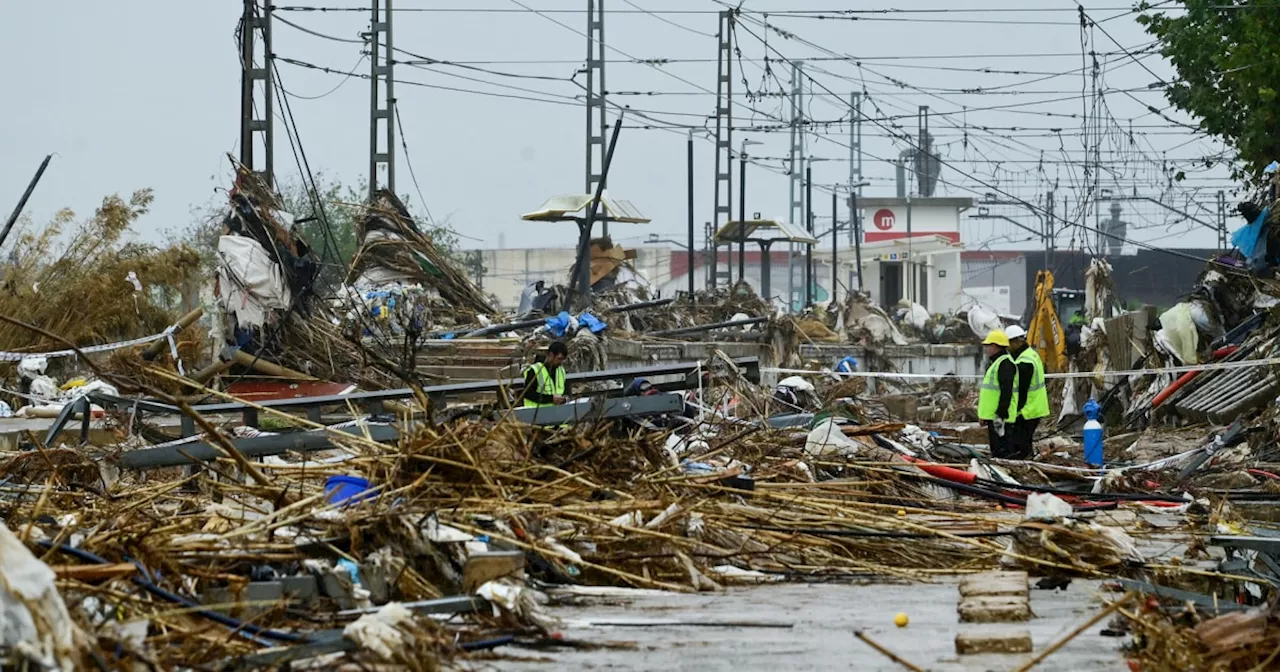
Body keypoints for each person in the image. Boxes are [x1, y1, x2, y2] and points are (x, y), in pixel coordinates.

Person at [1005, 325, 1049, 460]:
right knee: (1025, 443)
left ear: (1016, 342)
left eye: (1008, 344)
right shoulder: (1030, 354)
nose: (1007, 348)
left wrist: (1013, 412)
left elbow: (1021, 391)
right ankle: (1028, 463)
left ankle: (1022, 467)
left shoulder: (1024, 362)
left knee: (1019, 445)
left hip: (1027, 410)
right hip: (1035, 407)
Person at [977, 329, 1019, 459]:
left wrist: (1000, 414)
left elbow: (1006, 391)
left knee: (1002, 452)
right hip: (995, 417)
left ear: (995, 346)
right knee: (997, 450)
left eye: (988, 345)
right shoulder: (998, 363)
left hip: (1000, 418)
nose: (987, 349)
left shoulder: (1005, 364)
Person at [521, 341, 569, 408]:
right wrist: (550, 399)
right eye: (559, 359)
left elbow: (566, 391)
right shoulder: (535, 370)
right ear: (551, 355)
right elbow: (528, 394)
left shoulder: (561, 371)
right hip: (536, 413)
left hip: (556, 412)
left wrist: (564, 399)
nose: (561, 362)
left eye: (563, 359)